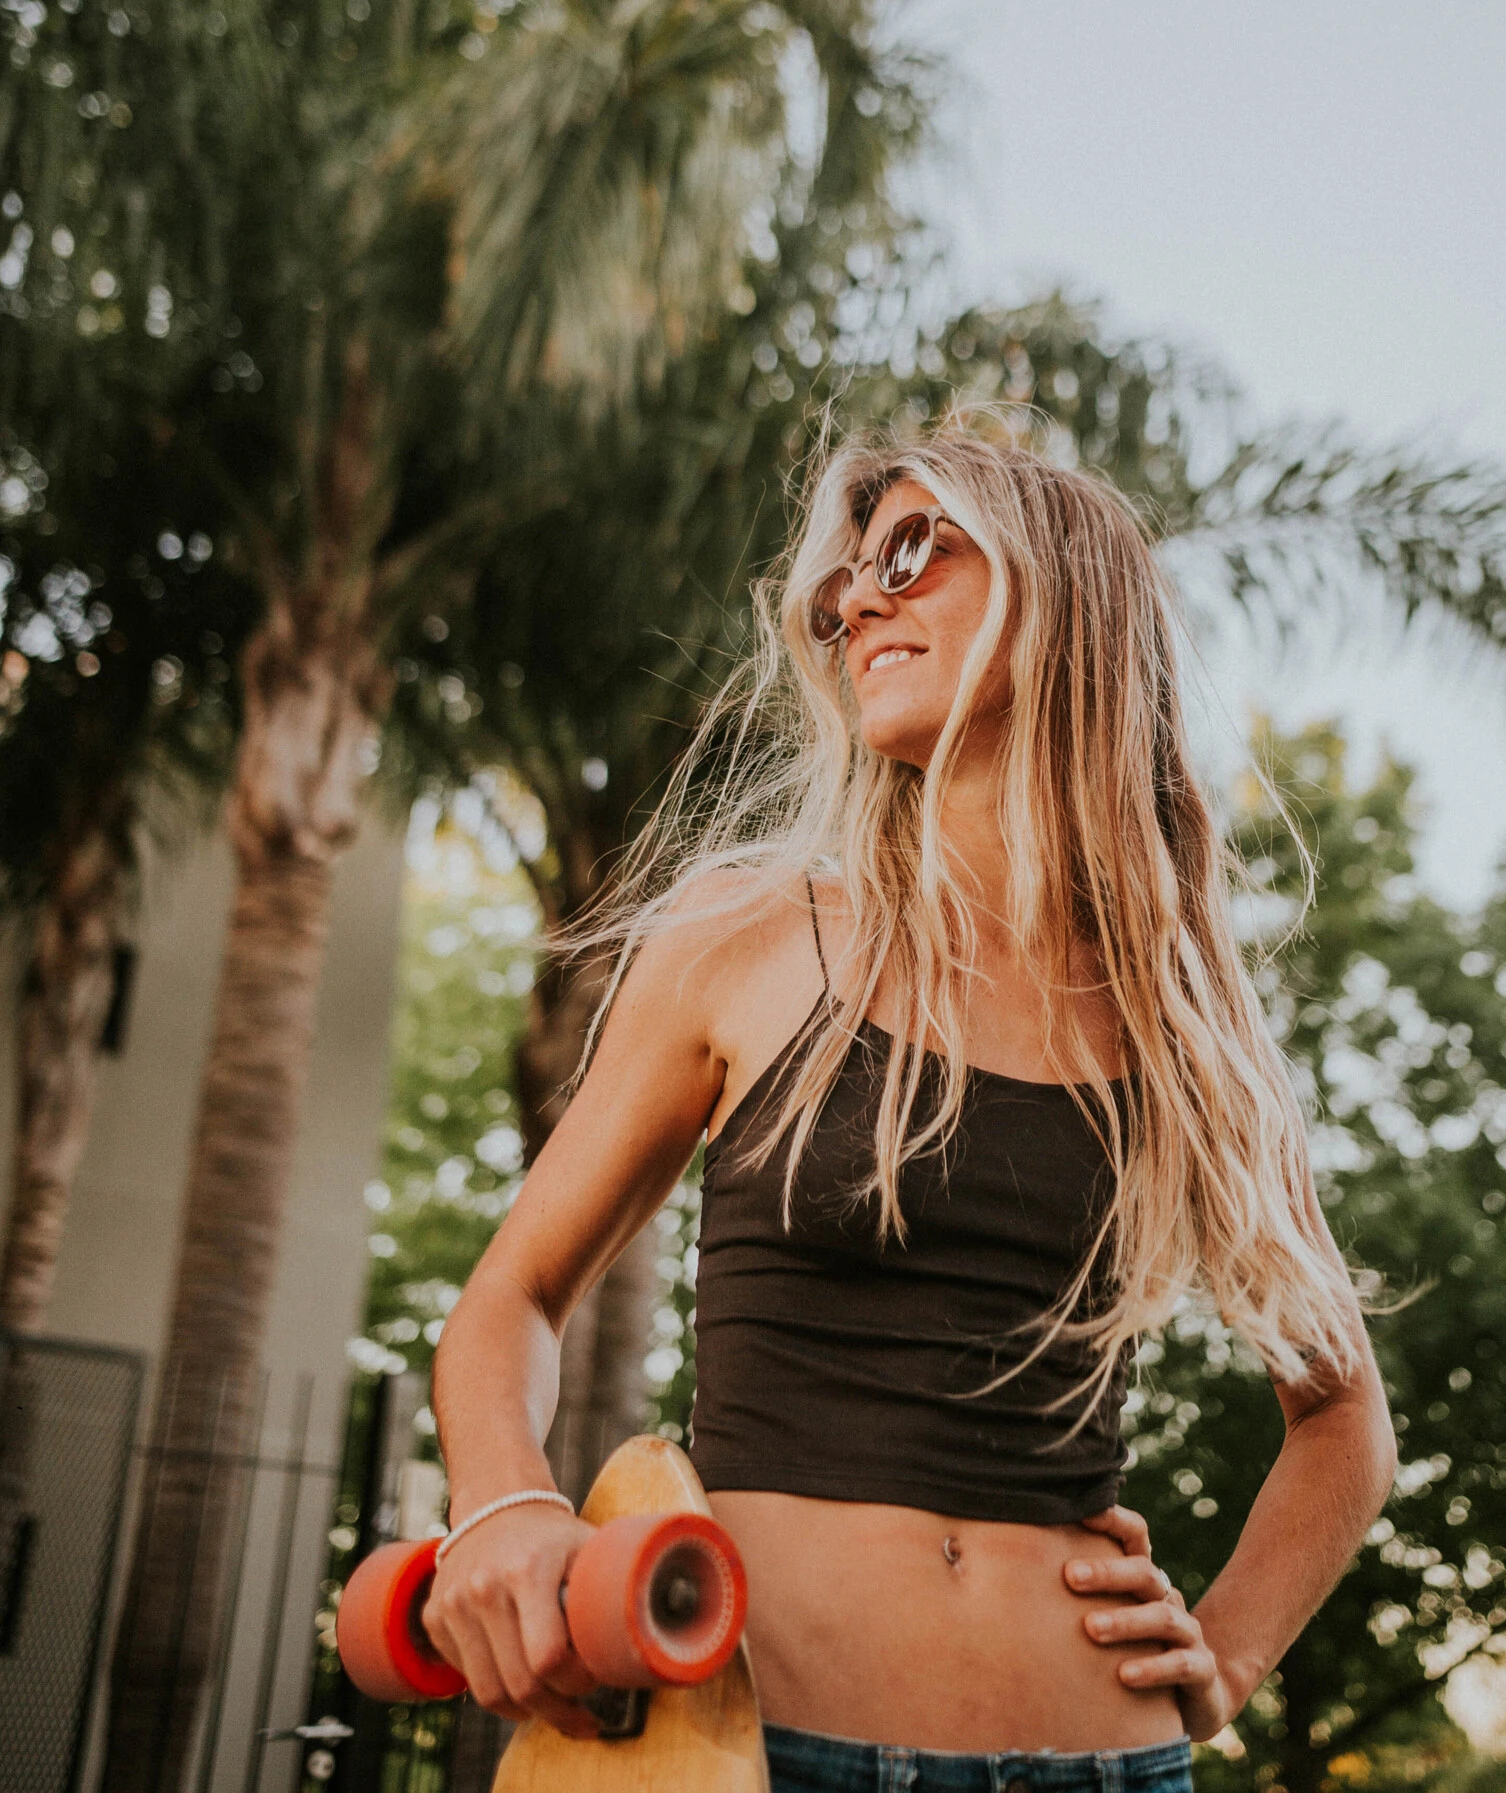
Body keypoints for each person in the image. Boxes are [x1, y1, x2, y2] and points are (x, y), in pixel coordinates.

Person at [423, 418, 1399, 1793]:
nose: (854, 600)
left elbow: (1344, 1424)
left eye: (910, 548)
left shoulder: (1187, 1023)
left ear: (1062, 593)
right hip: (761, 1750)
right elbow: (508, 1301)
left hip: (1103, 1768)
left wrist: (1225, 1659)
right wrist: (505, 1510)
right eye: (841, 583)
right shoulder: (746, 938)